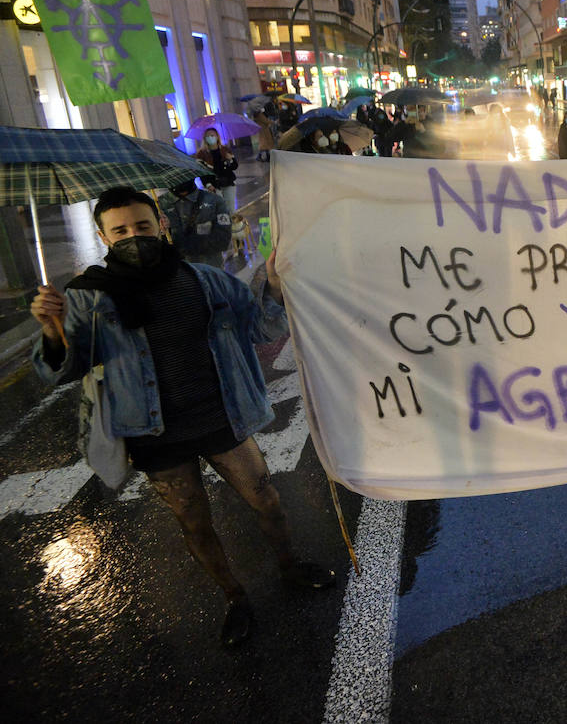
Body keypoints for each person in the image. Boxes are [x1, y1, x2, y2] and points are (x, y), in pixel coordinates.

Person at [27, 187, 336, 649]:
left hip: (221, 417)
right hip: (154, 434)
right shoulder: (89, 298)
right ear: (102, 236)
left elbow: (263, 328)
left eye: (143, 226)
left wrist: (273, 284)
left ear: (161, 225)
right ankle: (234, 598)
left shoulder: (206, 281)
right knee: (194, 521)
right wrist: (52, 331)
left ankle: (290, 567)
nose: (134, 236)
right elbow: (66, 370)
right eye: (121, 230)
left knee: (266, 498)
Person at [157, 179, 231, 267]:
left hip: (209, 269)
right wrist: (162, 230)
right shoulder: (159, 205)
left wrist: (183, 245)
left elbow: (223, 240)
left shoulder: (214, 200)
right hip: (178, 273)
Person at [195, 128, 238, 213]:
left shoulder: (225, 150)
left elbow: (234, 166)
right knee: (219, 210)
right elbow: (201, 172)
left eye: (212, 135)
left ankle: (232, 225)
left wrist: (231, 159)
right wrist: (208, 185)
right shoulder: (201, 154)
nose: (210, 138)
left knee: (231, 209)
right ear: (205, 139)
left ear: (217, 137)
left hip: (228, 182)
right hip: (213, 186)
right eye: (208, 136)